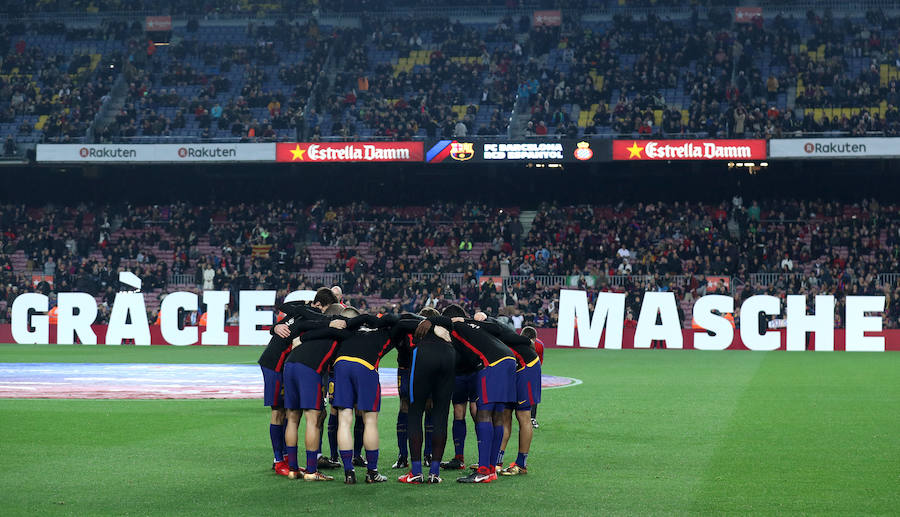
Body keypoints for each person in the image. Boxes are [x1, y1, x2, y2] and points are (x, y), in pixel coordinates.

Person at [259, 287, 337, 475]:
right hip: (274, 364)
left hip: (283, 365)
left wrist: (275, 327)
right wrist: (274, 328)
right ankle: (279, 460)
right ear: (319, 305)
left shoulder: (302, 315)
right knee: (278, 411)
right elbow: (284, 324)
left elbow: (285, 321)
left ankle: (286, 459)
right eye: (325, 309)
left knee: (287, 411)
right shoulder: (311, 314)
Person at [440, 304, 517, 483]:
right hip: (508, 359)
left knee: (483, 414)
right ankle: (491, 469)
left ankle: (483, 471)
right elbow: (497, 328)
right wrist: (476, 317)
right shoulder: (474, 324)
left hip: (491, 364)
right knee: (498, 415)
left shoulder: (455, 327)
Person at [281, 303, 356, 481]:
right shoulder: (341, 332)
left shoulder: (312, 327)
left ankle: (293, 469)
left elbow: (301, 326)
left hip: (290, 364)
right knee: (312, 420)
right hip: (309, 369)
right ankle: (311, 471)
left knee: (292, 418)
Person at [397, 315, 456, 484]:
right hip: (449, 355)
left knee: (415, 412)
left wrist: (428, 324)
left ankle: (416, 471)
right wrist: (433, 324)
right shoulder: (448, 329)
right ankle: (434, 473)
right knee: (441, 413)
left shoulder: (422, 327)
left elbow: (402, 321)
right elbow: (450, 322)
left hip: (425, 354)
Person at [393, 307, 441, 470]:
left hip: (407, 371)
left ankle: (403, 456)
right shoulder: (435, 333)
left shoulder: (406, 330)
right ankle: (426, 455)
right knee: (428, 409)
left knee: (405, 408)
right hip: (417, 371)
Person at [499, 324, 541, 475]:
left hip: (525, 371)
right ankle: (497, 461)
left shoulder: (535, 346)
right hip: (512, 373)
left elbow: (537, 360)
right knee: (504, 415)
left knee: (523, 416)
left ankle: (521, 463)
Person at [522, 326, 544, 428]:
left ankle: (531, 418)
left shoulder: (539, 345)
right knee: (533, 394)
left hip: (524, 370)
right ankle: (531, 418)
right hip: (528, 371)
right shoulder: (539, 344)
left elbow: (540, 360)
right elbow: (540, 361)